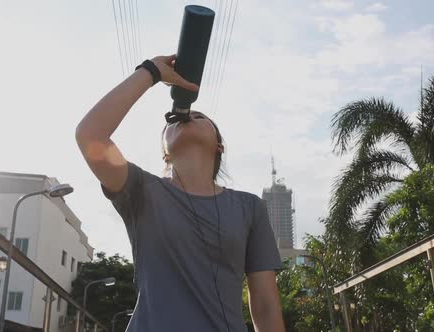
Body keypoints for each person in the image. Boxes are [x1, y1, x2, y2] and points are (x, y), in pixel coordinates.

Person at [75, 54, 285, 332]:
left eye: (199, 116)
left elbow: (265, 305)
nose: (186, 117)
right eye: (172, 120)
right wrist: (149, 72)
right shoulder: (140, 190)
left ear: (219, 145)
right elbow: (90, 135)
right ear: (164, 151)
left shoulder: (249, 207)